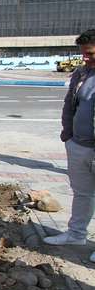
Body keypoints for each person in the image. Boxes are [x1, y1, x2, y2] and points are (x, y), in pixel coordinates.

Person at [45, 29, 95, 263]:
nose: (86, 58)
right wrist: (68, 134)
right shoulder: (82, 73)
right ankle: (76, 235)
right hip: (78, 144)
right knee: (82, 193)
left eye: (91, 54)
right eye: (84, 54)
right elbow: (69, 104)